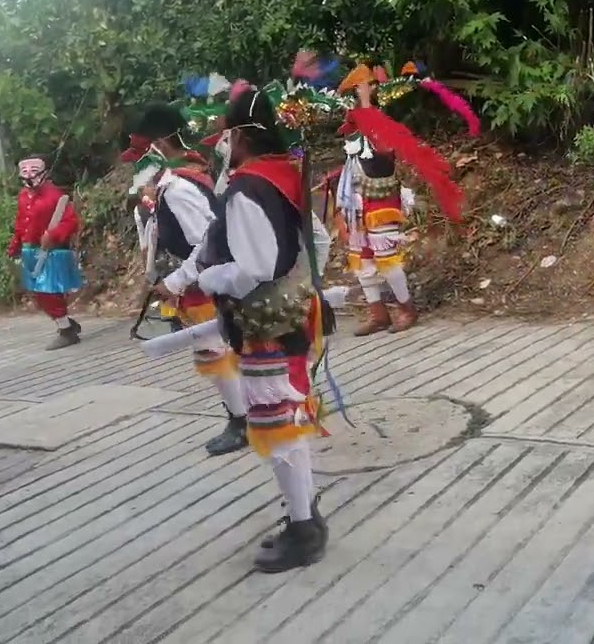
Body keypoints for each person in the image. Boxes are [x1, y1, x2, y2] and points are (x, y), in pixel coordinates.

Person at [193, 85, 328, 572]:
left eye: (224, 134)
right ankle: (304, 513)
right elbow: (318, 239)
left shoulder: (247, 186)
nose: (221, 144)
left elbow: (256, 266)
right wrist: (305, 283)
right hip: (293, 315)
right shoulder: (285, 171)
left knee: (278, 424)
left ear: (240, 136)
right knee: (286, 417)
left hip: (265, 322)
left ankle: (304, 528)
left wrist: (210, 278)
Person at [127, 103, 251, 457]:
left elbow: (206, 241)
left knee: (214, 354)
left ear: (160, 146)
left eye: (142, 154)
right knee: (222, 351)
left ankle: (242, 421)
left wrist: (176, 281)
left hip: (203, 283)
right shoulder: (187, 175)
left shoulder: (179, 187)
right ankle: (247, 414)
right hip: (204, 279)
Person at [330, 61, 465, 336]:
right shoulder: (354, 127)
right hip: (358, 201)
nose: (352, 106)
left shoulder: (380, 124)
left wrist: (365, 102)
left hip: (381, 200)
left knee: (386, 258)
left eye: (357, 94)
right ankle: (378, 313)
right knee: (363, 260)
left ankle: (407, 309)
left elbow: (379, 149)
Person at [7, 156, 84, 350]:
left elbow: (71, 222)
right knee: (38, 293)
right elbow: (20, 223)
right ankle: (65, 323)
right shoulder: (23, 196)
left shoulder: (55, 196)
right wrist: (15, 246)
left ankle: (66, 331)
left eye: (34, 172)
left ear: (44, 173)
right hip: (30, 250)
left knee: (48, 292)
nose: (29, 176)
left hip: (52, 251)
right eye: (25, 172)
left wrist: (53, 234)